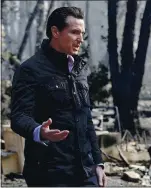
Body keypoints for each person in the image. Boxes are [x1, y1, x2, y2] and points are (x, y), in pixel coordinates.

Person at [11, 7, 106, 187]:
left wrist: (98, 162)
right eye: (74, 32)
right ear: (55, 31)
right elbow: (18, 117)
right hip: (48, 172)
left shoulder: (80, 70)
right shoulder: (30, 70)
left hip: (85, 172)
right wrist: (40, 131)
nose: (80, 39)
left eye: (82, 33)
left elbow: (87, 121)